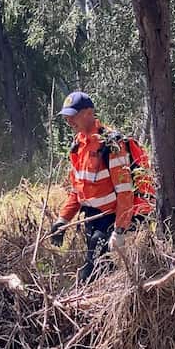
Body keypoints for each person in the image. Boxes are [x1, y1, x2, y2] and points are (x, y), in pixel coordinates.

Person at [48, 92, 141, 282]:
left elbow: (125, 192)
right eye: (66, 116)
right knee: (105, 272)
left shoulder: (111, 145)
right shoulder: (78, 146)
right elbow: (77, 190)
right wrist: (62, 221)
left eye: (73, 115)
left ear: (89, 113)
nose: (68, 120)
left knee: (89, 274)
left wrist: (120, 231)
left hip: (110, 221)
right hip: (91, 220)